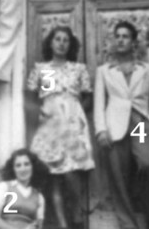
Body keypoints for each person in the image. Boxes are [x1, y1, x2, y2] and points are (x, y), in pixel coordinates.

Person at [94, 21, 149, 229]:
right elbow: (99, 102)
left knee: (147, 165)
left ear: (133, 42)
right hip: (115, 126)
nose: (121, 40)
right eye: (118, 36)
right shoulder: (105, 70)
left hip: (140, 123)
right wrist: (101, 130)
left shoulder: (147, 69)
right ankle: (128, 223)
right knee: (118, 175)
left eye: (125, 36)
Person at [27, 26, 94, 229]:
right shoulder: (42, 69)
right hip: (50, 122)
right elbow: (32, 98)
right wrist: (42, 114)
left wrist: (78, 113)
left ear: (70, 45)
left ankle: (77, 213)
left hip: (73, 121)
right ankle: (63, 224)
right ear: (51, 42)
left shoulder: (78, 68)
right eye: (58, 39)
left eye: (66, 40)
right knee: (54, 173)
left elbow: (87, 96)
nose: (62, 43)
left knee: (72, 170)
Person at [0, 148, 47, 229]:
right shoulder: (4, 187)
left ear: (33, 167)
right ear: (13, 169)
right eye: (18, 165)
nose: (23, 169)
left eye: (26, 164)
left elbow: (39, 226)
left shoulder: (39, 197)